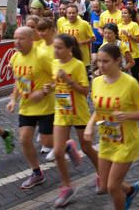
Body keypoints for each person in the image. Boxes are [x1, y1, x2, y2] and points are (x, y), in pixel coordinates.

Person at [84, 44, 139, 210]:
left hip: (126, 141)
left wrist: (127, 115)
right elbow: (99, 110)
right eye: (99, 61)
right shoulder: (98, 82)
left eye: (106, 61)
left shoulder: (129, 83)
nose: (101, 65)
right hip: (107, 140)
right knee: (105, 184)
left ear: (117, 61)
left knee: (113, 187)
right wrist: (90, 125)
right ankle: (129, 190)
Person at [47, 34, 100, 207]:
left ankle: (103, 175)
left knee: (86, 147)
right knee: (57, 151)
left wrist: (68, 80)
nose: (56, 50)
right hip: (61, 111)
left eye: (60, 47)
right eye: (55, 47)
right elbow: (56, 83)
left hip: (78, 112)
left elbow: (85, 91)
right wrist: (50, 87)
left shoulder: (77, 65)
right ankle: (67, 186)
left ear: (70, 49)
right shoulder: (54, 63)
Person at [6, 26, 55, 189]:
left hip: (45, 106)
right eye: (15, 38)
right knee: (24, 139)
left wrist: (44, 91)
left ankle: (65, 144)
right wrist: (13, 99)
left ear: (31, 39)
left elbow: (58, 78)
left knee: (47, 141)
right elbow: (18, 82)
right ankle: (37, 173)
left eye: (21, 38)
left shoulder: (42, 56)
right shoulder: (14, 58)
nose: (17, 42)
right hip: (26, 107)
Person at [59, 4, 95, 74]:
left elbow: (93, 38)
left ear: (77, 13)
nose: (71, 15)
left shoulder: (84, 24)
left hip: (82, 58)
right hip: (68, 58)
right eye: (69, 13)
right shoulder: (63, 25)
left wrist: (80, 43)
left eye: (73, 13)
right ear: (66, 14)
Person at [118, 7, 139, 85]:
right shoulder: (118, 26)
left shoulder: (134, 25)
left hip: (134, 54)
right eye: (122, 13)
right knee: (124, 75)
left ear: (130, 15)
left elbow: (138, 40)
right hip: (123, 54)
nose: (123, 15)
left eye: (125, 13)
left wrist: (129, 35)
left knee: (135, 76)